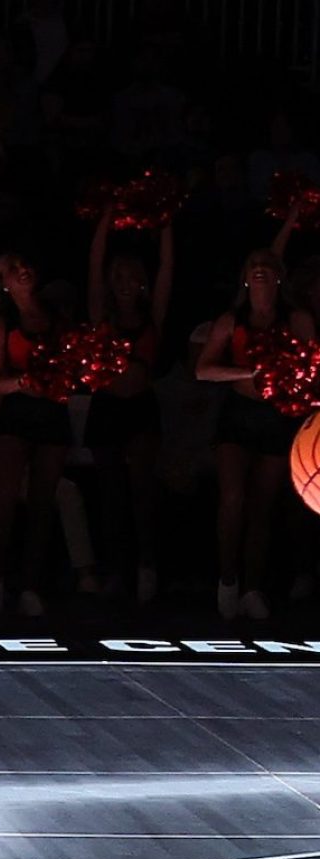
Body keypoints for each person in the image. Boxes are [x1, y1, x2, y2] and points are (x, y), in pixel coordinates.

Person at [195, 237, 310, 622]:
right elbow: (204, 369)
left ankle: (252, 588)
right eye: (252, 263)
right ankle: (227, 580)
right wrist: (252, 372)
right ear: (244, 278)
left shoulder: (297, 320)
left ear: (279, 276)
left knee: (263, 507)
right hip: (238, 416)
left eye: (267, 262)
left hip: (277, 419)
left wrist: (289, 381)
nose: (259, 267)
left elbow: (314, 368)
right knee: (233, 498)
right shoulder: (231, 321)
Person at [0, 253, 74, 618]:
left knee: (43, 503)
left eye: (25, 265)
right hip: (16, 416)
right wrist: (23, 382)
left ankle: (30, 586)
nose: (23, 271)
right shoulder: (3, 324)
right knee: (5, 498)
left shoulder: (57, 315)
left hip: (53, 416)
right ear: (5, 283)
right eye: (13, 269)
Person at [85, 205, 173, 606]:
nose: (124, 282)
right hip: (106, 410)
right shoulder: (100, 314)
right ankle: (117, 572)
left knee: (141, 490)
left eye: (131, 276)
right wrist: (108, 216)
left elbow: (168, 267)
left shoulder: (152, 315)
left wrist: (163, 216)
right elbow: (94, 261)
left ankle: (148, 567)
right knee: (110, 495)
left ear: (141, 282)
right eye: (117, 276)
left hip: (140, 409)